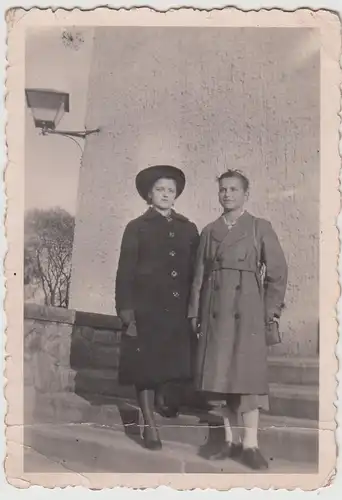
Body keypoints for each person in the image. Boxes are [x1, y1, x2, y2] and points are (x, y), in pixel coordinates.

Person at [188, 169, 288, 470]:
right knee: (220, 379)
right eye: (223, 189)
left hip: (248, 314)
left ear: (246, 194)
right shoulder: (209, 231)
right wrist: (194, 312)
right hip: (215, 311)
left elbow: (278, 273)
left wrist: (268, 311)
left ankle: (251, 445)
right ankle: (230, 441)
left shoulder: (259, 227)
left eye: (233, 189)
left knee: (247, 381)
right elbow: (198, 278)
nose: (227, 194)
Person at [115, 165, 199, 450]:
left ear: (176, 196)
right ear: (149, 194)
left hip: (177, 311)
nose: (166, 194)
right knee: (146, 368)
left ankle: (164, 400)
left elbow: (196, 271)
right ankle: (149, 423)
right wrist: (127, 312)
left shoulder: (188, 228)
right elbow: (125, 273)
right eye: (160, 189)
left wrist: (194, 308)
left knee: (173, 363)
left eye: (170, 190)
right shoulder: (136, 228)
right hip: (146, 309)